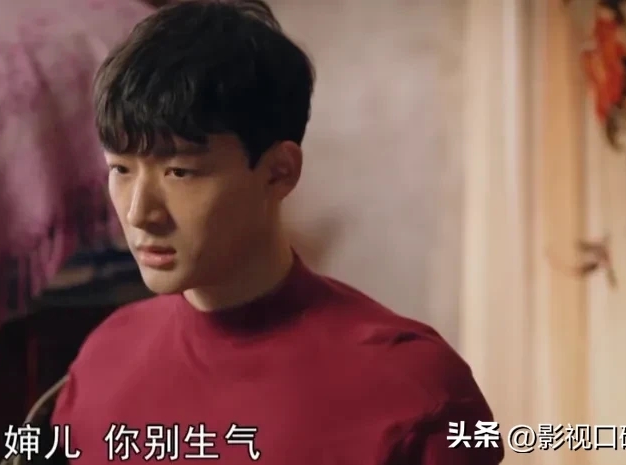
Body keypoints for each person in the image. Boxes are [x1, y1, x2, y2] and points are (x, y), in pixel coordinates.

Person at [49, 1, 504, 464]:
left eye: (180, 172)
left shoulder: (414, 390)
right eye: (121, 169)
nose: (139, 212)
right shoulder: (105, 356)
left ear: (279, 172)